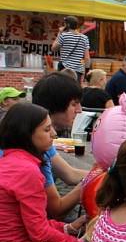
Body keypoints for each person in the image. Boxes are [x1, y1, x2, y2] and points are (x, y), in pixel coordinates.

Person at [0, 103, 88, 242]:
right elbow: (38, 232)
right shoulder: (27, 171)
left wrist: (66, 228)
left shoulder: (10, 161)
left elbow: (32, 220)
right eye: (47, 130)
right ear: (27, 134)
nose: (54, 134)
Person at [30, 72, 89, 218]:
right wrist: (89, 183)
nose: (80, 110)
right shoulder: (34, 145)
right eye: (74, 104)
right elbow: (55, 210)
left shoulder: (34, 134)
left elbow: (69, 174)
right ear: (54, 107)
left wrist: (107, 174)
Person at [51, 16, 90, 81]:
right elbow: (87, 57)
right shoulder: (84, 38)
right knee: (75, 89)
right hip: (77, 70)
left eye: (64, 24)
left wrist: (59, 33)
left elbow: (53, 48)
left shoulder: (64, 36)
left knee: (62, 89)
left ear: (67, 25)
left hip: (64, 69)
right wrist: (87, 71)